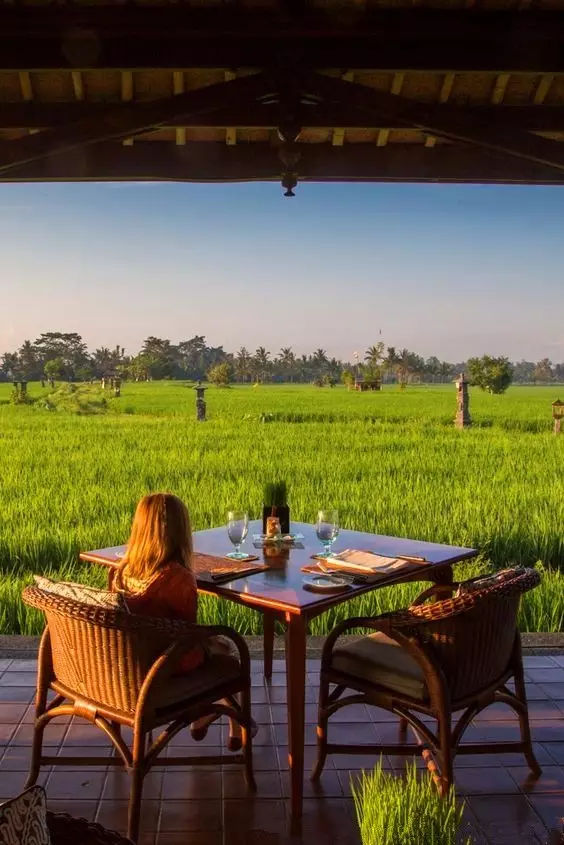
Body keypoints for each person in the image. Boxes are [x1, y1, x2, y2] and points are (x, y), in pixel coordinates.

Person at [114, 492, 251, 750]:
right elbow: (189, 634)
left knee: (213, 645)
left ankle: (212, 719)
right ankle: (225, 718)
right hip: (166, 665)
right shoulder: (177, 578)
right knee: (228, 650)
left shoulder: (123, 571)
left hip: (135, 661)